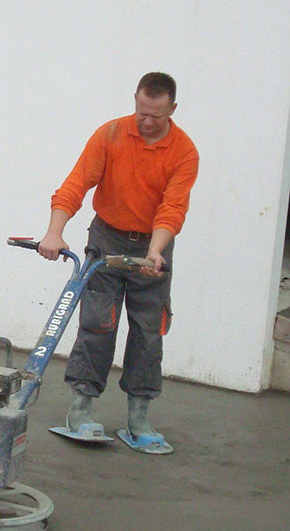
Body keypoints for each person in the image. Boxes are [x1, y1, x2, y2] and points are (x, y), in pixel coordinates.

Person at [38, 72, 199, 454]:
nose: (147, 121)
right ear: (136, 101)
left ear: (172, 110)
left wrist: (155, 252)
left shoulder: (184, 151)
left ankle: (139, 420)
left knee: (148, 331)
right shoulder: (110, 134)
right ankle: (80, 411)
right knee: (98, 323)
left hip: (153, 246)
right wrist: (54, 233)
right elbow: (76, 184)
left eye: (156, 116)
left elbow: (172, 208)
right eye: (141, 112)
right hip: (107, 238)